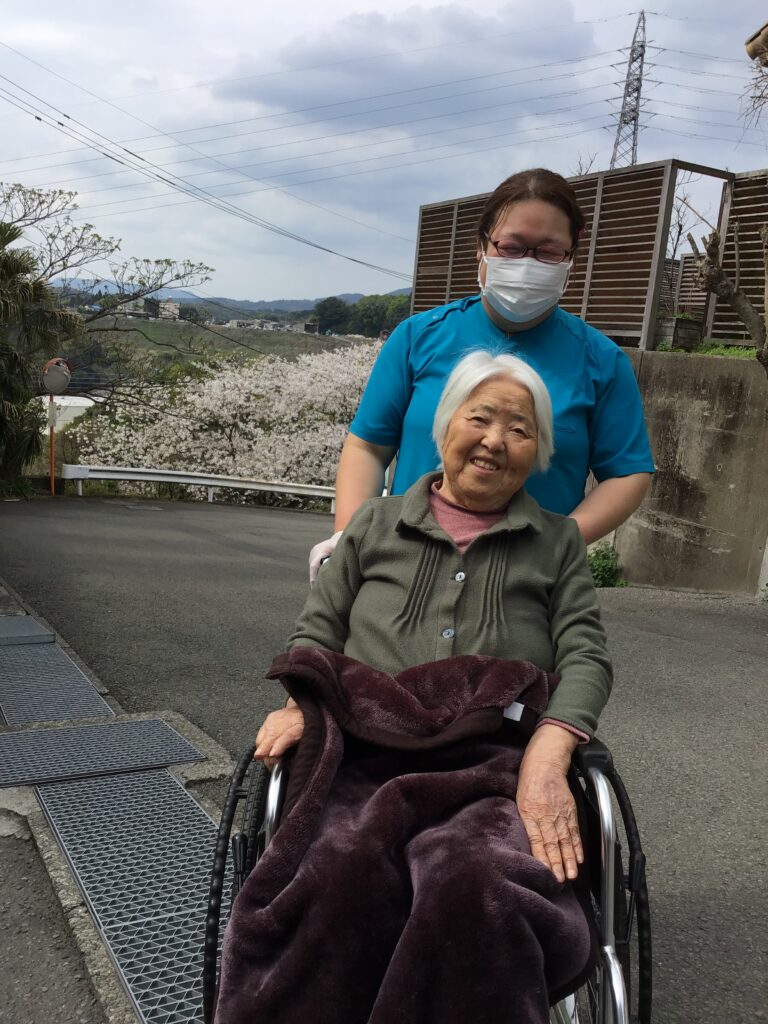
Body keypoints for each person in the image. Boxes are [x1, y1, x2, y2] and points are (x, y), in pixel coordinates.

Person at [256, 350, 611, 893]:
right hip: (366, 750)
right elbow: (317, 634)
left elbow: (586, 656)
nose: (494, 440)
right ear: (445, 426)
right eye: (479, 418)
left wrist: (551, 749)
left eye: (519, 429)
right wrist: (298, 703)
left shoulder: (558, 542)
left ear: (537, 451)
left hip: (495, 765)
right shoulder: (374, 523)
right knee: (337, 868)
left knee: (477, 877)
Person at [309, 167, 654, 580]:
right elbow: (368, 446)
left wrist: (558, 543)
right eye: (512, 247)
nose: (527, 263)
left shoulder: (601, 361)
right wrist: (350, 537)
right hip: (402, 569)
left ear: (570, 260)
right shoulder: (418, 338)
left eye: (548, 252)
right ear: (482, 247)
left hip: (525, 584)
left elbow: (628, 473)